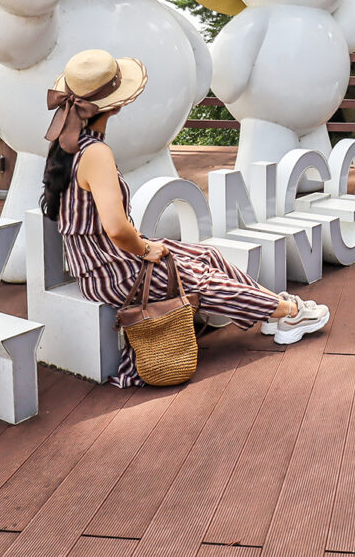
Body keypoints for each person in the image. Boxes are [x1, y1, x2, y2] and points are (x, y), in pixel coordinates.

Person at [39, 49, 329, 387]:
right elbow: (116, 228)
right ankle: (287, 313)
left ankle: (271, 309)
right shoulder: (96, 153)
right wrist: (145, 249)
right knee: (199, 277)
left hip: (96, 261)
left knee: (207, 254)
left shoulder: (68, 144)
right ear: (116, 106)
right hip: (111, 271)